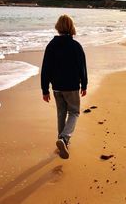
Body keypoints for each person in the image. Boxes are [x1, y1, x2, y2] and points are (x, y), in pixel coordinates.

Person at [41, 14, 88, 159]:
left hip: (56, 87)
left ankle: (62, 141)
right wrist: (84, 84)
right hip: (72, 86)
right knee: (74, 112)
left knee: (61, 113)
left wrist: (45, 89)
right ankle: (64, 138)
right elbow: (82, 67)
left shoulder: (51, 45)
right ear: (71, 27)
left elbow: (46, 69)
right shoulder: (75, 46)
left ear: (58, 27)